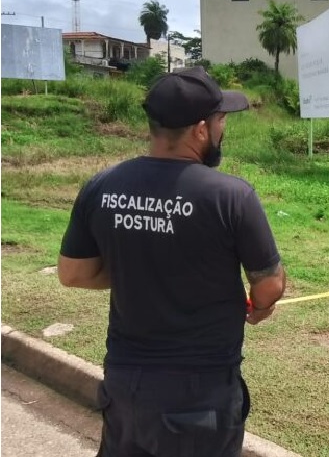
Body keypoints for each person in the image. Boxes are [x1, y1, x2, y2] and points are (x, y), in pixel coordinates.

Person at [57, 66, 286, 457]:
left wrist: (139, 267)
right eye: (221, 120)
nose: (223, 129)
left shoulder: (102, 186)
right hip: (199, 393)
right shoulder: (232, 197)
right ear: (201, 130)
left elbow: (73, 273)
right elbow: (269, 285)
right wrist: (261, 307)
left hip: (125, 385)